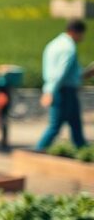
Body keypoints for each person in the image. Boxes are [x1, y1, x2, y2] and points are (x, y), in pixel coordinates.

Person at [36, 19, 92, 151]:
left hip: (62, 89)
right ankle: (38, 151)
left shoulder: (53, 44)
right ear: (75, 32)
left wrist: (85, 74)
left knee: (75, 124)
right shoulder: (68, 48)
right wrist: (49, 91)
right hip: (63, 91)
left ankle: (82, 150)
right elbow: (60, 72)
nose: (82, 38)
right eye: (82, 34)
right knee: (55, 126)